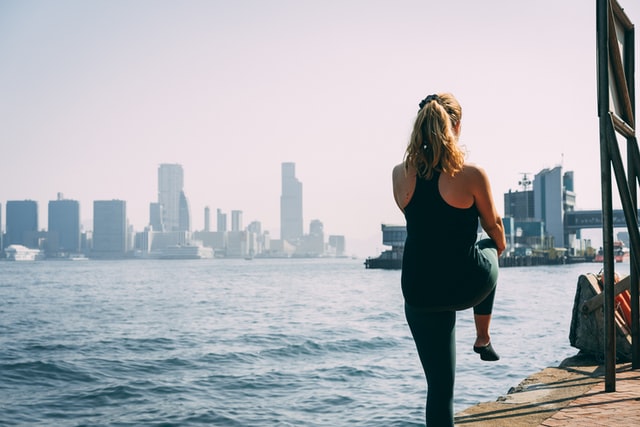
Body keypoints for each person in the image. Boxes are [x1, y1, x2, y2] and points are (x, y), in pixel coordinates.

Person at [392, 92, 506, 427]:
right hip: (466, 286)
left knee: (440, 389)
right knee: (489, 246)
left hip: (418, 291)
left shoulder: (400, 174)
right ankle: (483, 335)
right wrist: (498, 246)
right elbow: (494, 226)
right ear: (455, 126)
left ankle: (482, 337)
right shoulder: (471, 174)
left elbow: (422, 222)